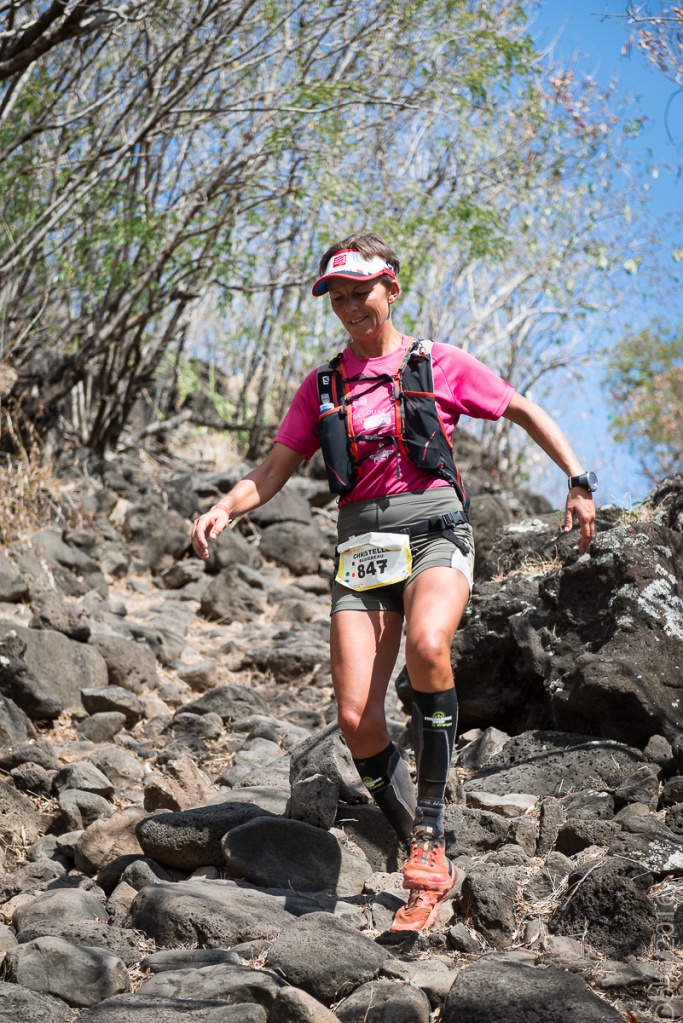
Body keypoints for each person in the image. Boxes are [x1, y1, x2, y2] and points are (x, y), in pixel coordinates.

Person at [191, 232, 596, 932]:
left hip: (435, 529)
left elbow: (522, 408)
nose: (350, 306)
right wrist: (226, 507)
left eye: (361, 292)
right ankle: (420, 846)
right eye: (337, 297)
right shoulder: (322, 386)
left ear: (391, 289)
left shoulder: (436, 363)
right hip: (361, 550)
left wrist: (577, 479)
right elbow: (273, 469)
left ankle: (431, 829)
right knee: (355, 719)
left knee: (428, 644)